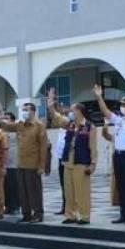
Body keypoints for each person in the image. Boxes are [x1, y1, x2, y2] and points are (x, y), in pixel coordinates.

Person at [93, 84, 125, 225]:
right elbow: (105, 112)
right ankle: (123, 214)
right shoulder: (118, 120)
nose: (123, 107)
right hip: (118, 155)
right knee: (121, 186)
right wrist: (99, 97)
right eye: (122, 105)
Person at [47, 92, 97, 225]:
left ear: (80, 111)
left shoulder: (89, 127)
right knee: (69, 192)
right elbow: (56, 117)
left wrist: (93, 164)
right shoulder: (69, 124)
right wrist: (51, 105)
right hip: (68, 162)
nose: (70, 112)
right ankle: (70, 215)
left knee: (82, 192)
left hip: (81, 162)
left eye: (73, 110)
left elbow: (93, 147)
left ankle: (84, 216)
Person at [0, 103, 49, 223]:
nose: (24, 112)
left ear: (33, 111)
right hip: (21, 164)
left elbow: (43, 148)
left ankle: (38, 214)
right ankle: (26, 214)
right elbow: (5, 126)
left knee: (34, 191)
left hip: (33, 165)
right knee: (23, 192)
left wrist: (41, 166)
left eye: (26, 110)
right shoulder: (20, 125)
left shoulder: (39, 126)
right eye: (23, 110)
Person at [1, 112, 19, 215]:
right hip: (4, 163)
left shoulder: (16, 130)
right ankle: (7, 206)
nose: (4, 120)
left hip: (13, 162)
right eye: (3, 118)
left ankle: (16, 206)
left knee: (14, 186)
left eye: (6, 118)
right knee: (5, 186)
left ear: (12, 120)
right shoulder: (1, 131)